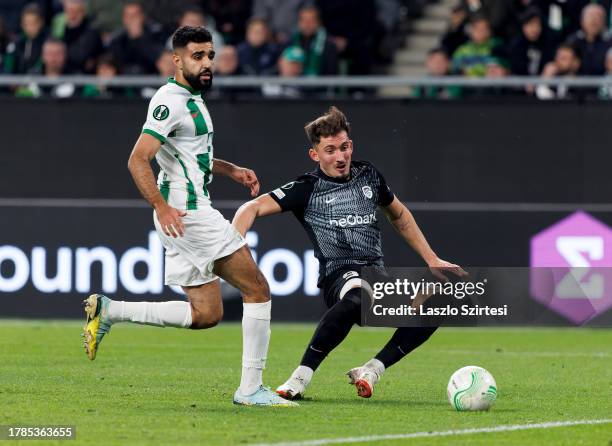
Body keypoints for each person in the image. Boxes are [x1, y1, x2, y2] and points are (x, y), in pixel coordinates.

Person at [82, 26, 296, 408]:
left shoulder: (191, 99)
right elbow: (138, 158)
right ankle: (250, 389)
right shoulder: (170, 100)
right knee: (258, 289)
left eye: (210, 55)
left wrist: (230, 169)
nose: (207, 63)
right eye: (197, 56)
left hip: (181, 216)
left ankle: (111, 310)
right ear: (176, 60)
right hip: (189, 214)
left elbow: (186, 155)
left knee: (206, 314)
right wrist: (161, 207)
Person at [232, 106, 465, 399]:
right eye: (330, 150)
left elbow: (400, 216)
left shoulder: (368, 175)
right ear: (315, 155)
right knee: (358, 293)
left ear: (351, 146)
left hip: (378, 280)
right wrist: (235, 248)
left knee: (443, 298)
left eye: (344, 147)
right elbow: (249, 208)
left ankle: (372, 369)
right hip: (339, 279)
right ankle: (299, 378)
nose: (340, 157)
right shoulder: (307, 188)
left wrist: (432, 259)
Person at [565, 3, 612, 75]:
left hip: (604, 83)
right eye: (590, 17)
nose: (594, 21)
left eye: (598, 17)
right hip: (576, 83)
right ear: (582, 20)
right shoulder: (573, 40)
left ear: (604, 21)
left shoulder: (610, 41)